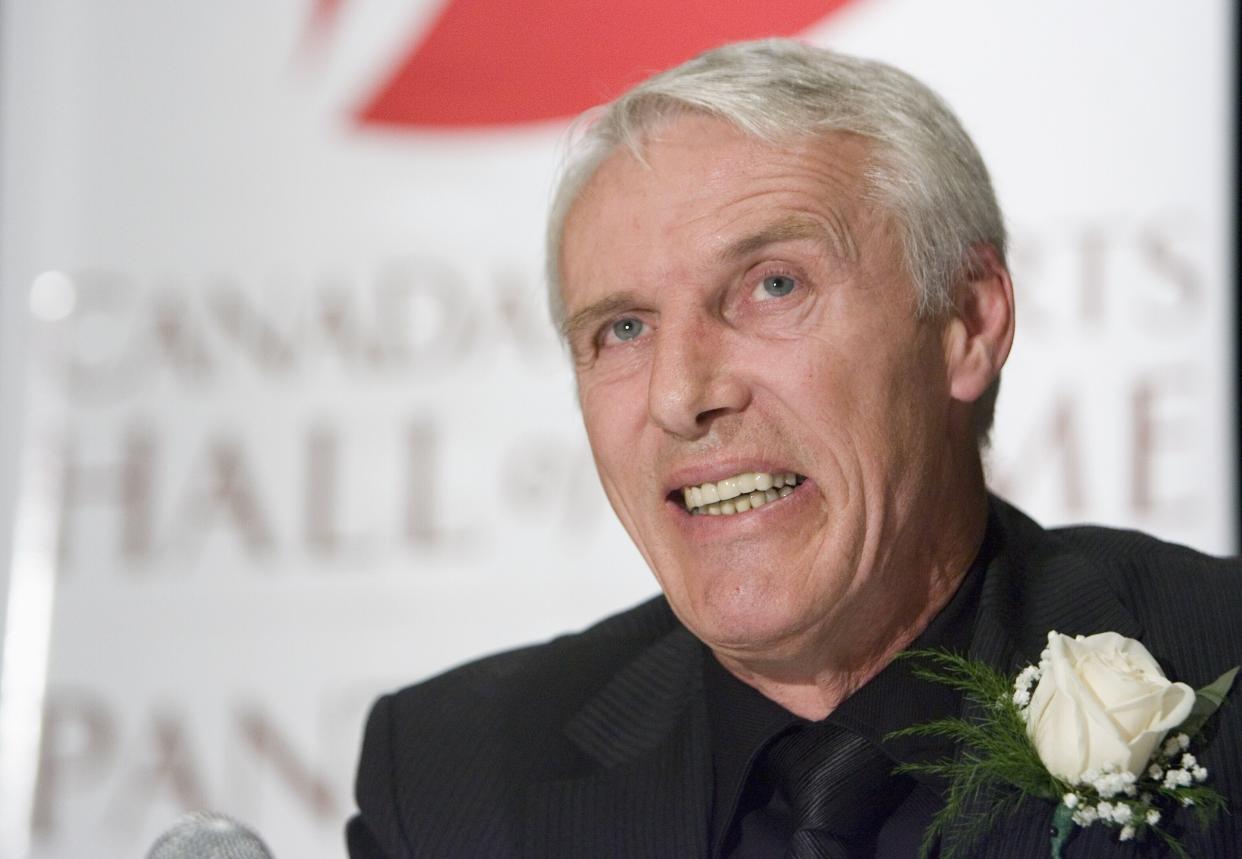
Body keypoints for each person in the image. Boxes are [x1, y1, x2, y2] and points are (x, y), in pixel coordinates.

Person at [347, 39, 1242, 857]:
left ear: (969, 321)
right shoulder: (451, 783)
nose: (681, 395)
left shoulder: (1219, 665)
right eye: (623, 328)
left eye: (772, 286)